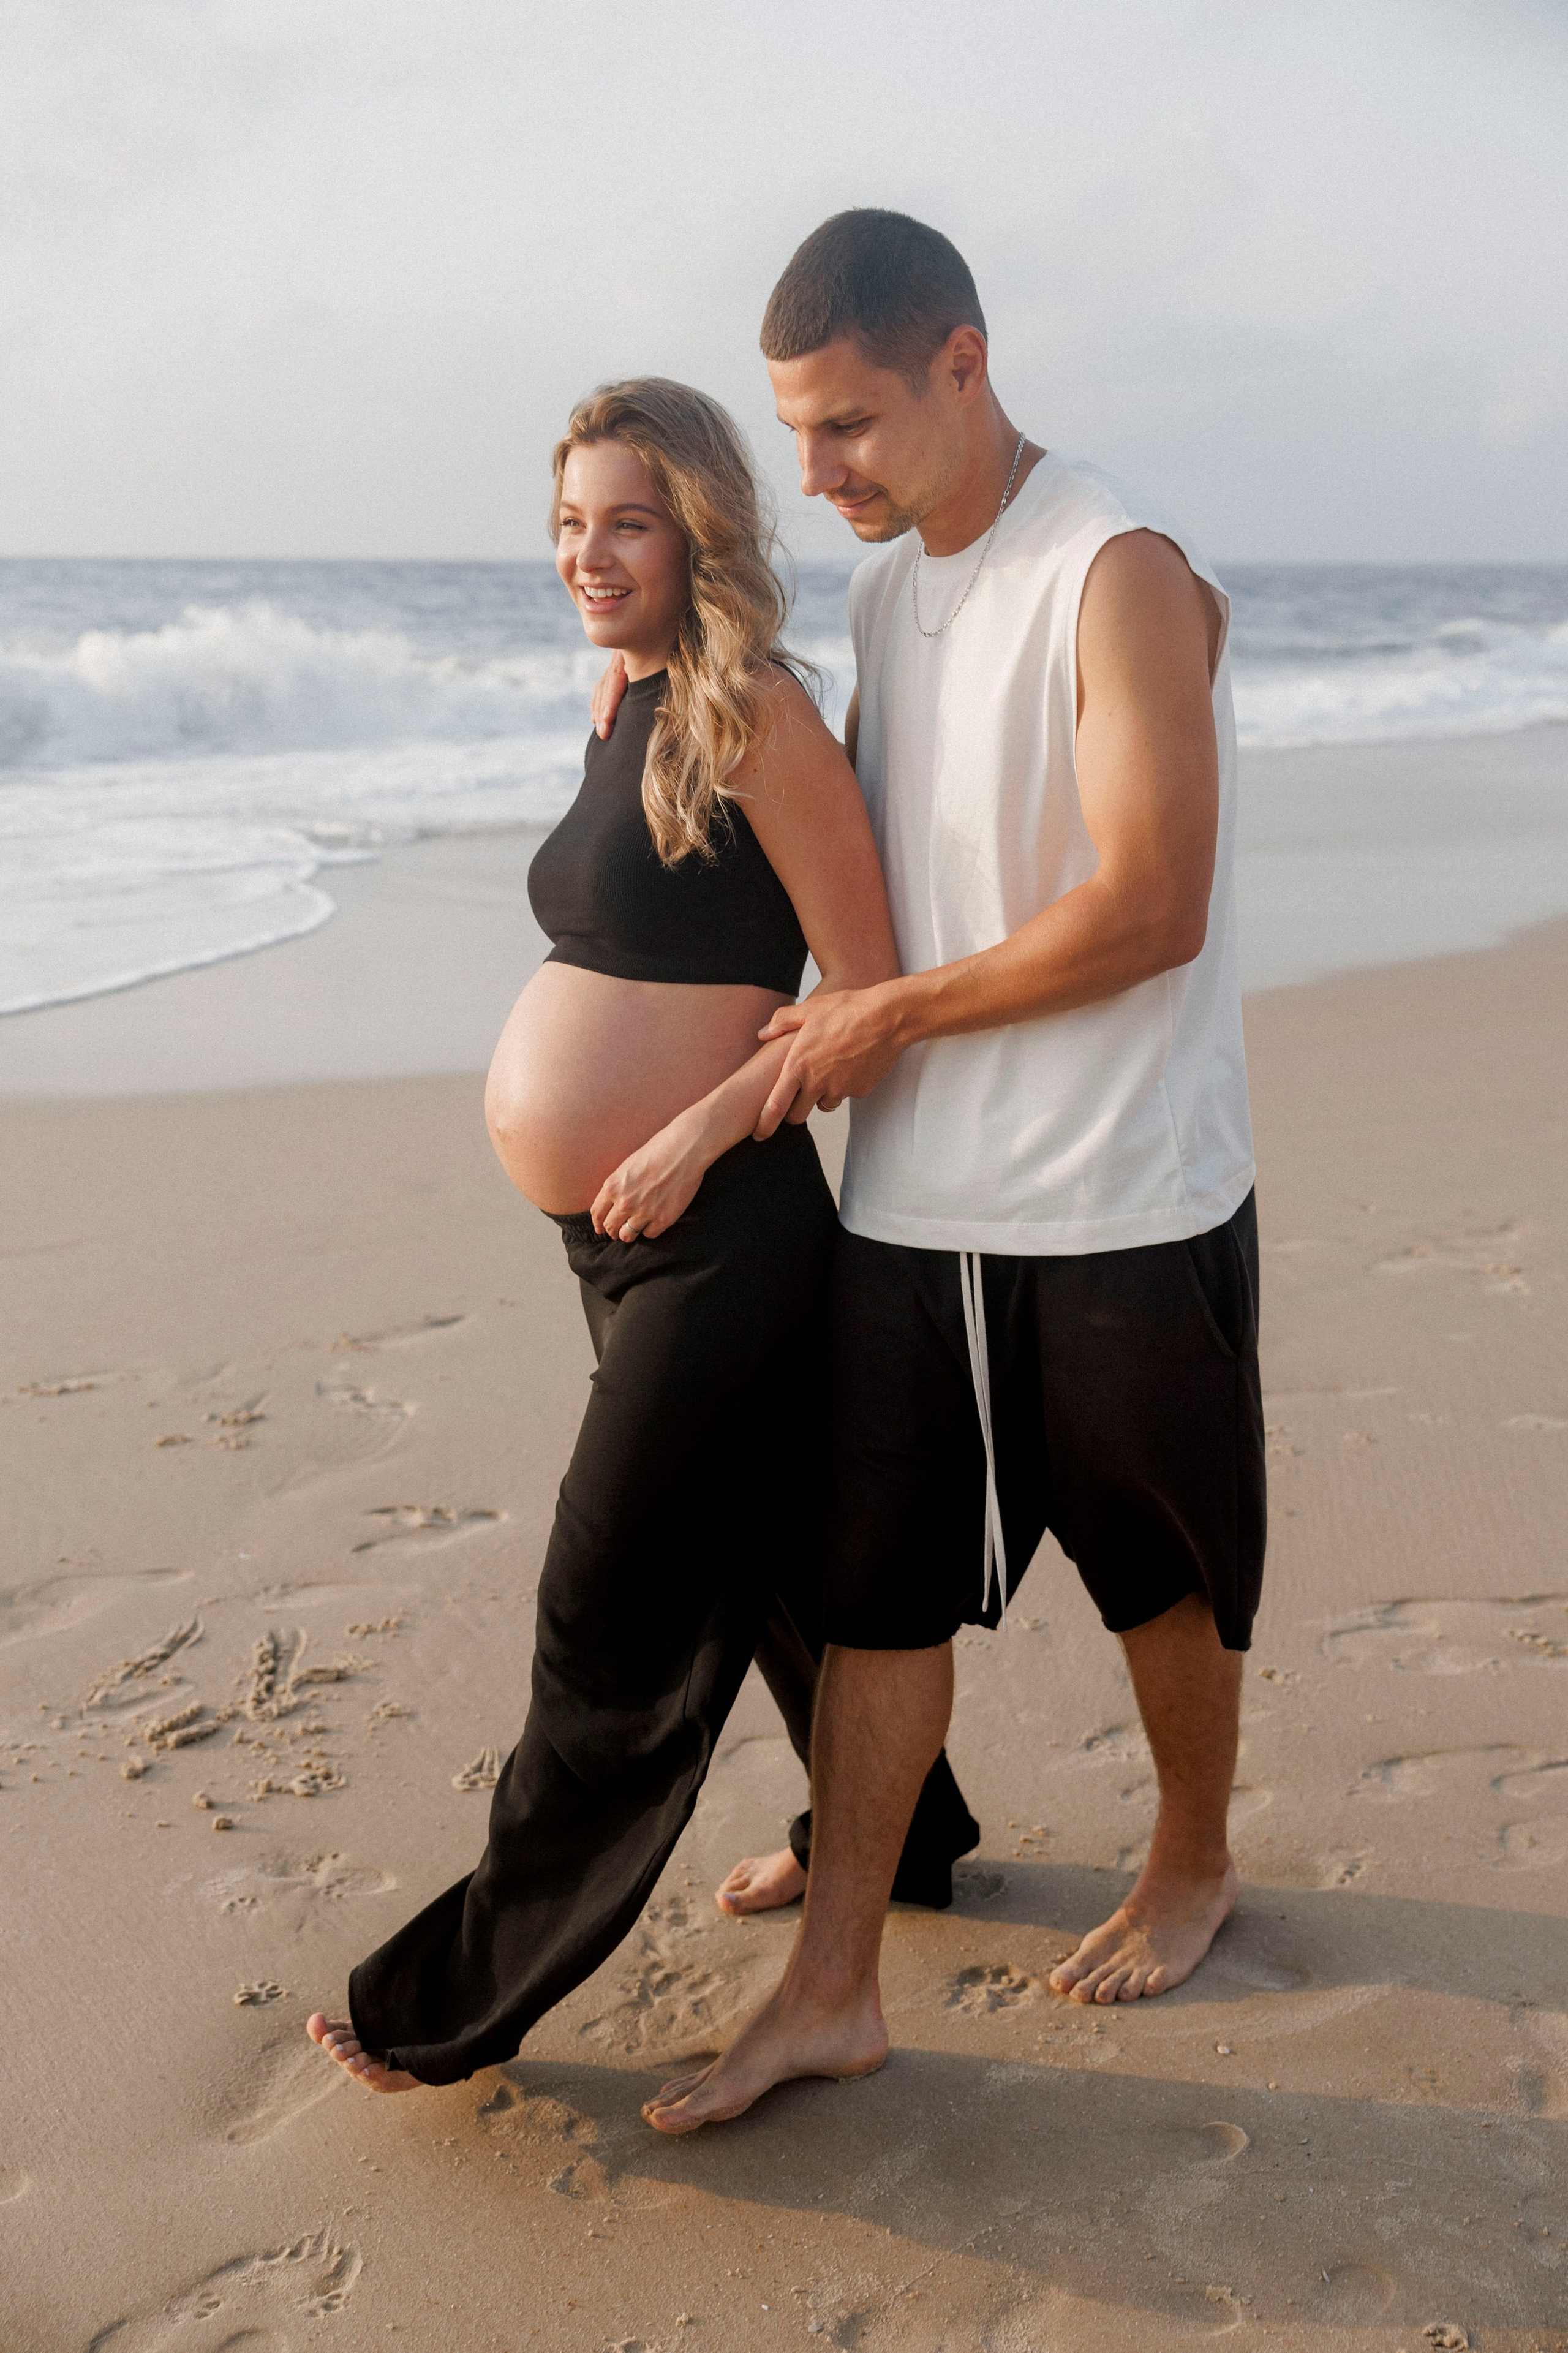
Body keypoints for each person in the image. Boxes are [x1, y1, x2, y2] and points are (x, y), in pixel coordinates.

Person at [624, 211, 1266, 2136]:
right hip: (914, 1202)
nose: (817, 476)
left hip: (1124, 1189)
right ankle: (836, 1983)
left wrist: (882, 1024)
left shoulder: (1118, 566)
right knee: (875, 1585)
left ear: (965, 366)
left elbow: (1151, 905)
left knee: (1161, 1570)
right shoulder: (896, 582)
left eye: (849, 430)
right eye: (797, 436)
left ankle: (1195, 1855)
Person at [304, 376, 979, 2093]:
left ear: (697, 532)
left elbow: (869, 986)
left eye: (622, 521)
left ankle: (451, 1995)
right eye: (565, 524)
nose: (582, 557)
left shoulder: (760, 713)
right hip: (621, 1243)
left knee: (605, 1609)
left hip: (729, 1230)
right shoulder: (627, 697)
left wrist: (691, 1124)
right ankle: (909, 1833)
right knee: (763, 1557)